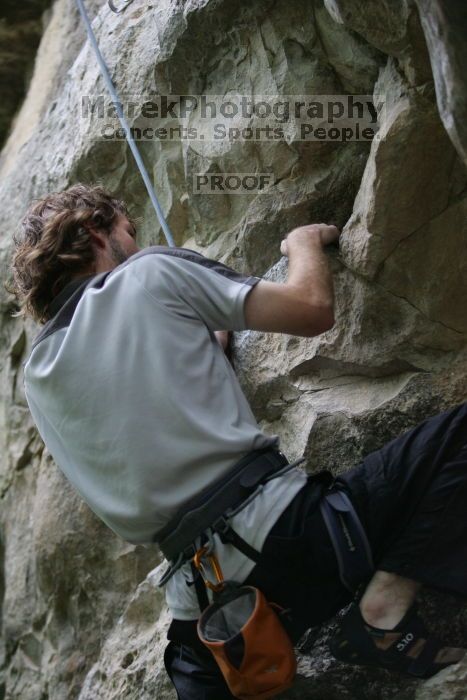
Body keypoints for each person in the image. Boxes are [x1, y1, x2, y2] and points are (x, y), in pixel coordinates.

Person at [9, 183, 466, 699]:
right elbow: (310, 308)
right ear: (95, 229)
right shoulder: (147, 273)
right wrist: (302, 243)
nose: (135, 246)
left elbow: (138, 409)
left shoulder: (39, 378)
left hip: (207, 622)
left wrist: (202, 339)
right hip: (298, 541)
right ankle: (384, 610)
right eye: (128, 233)